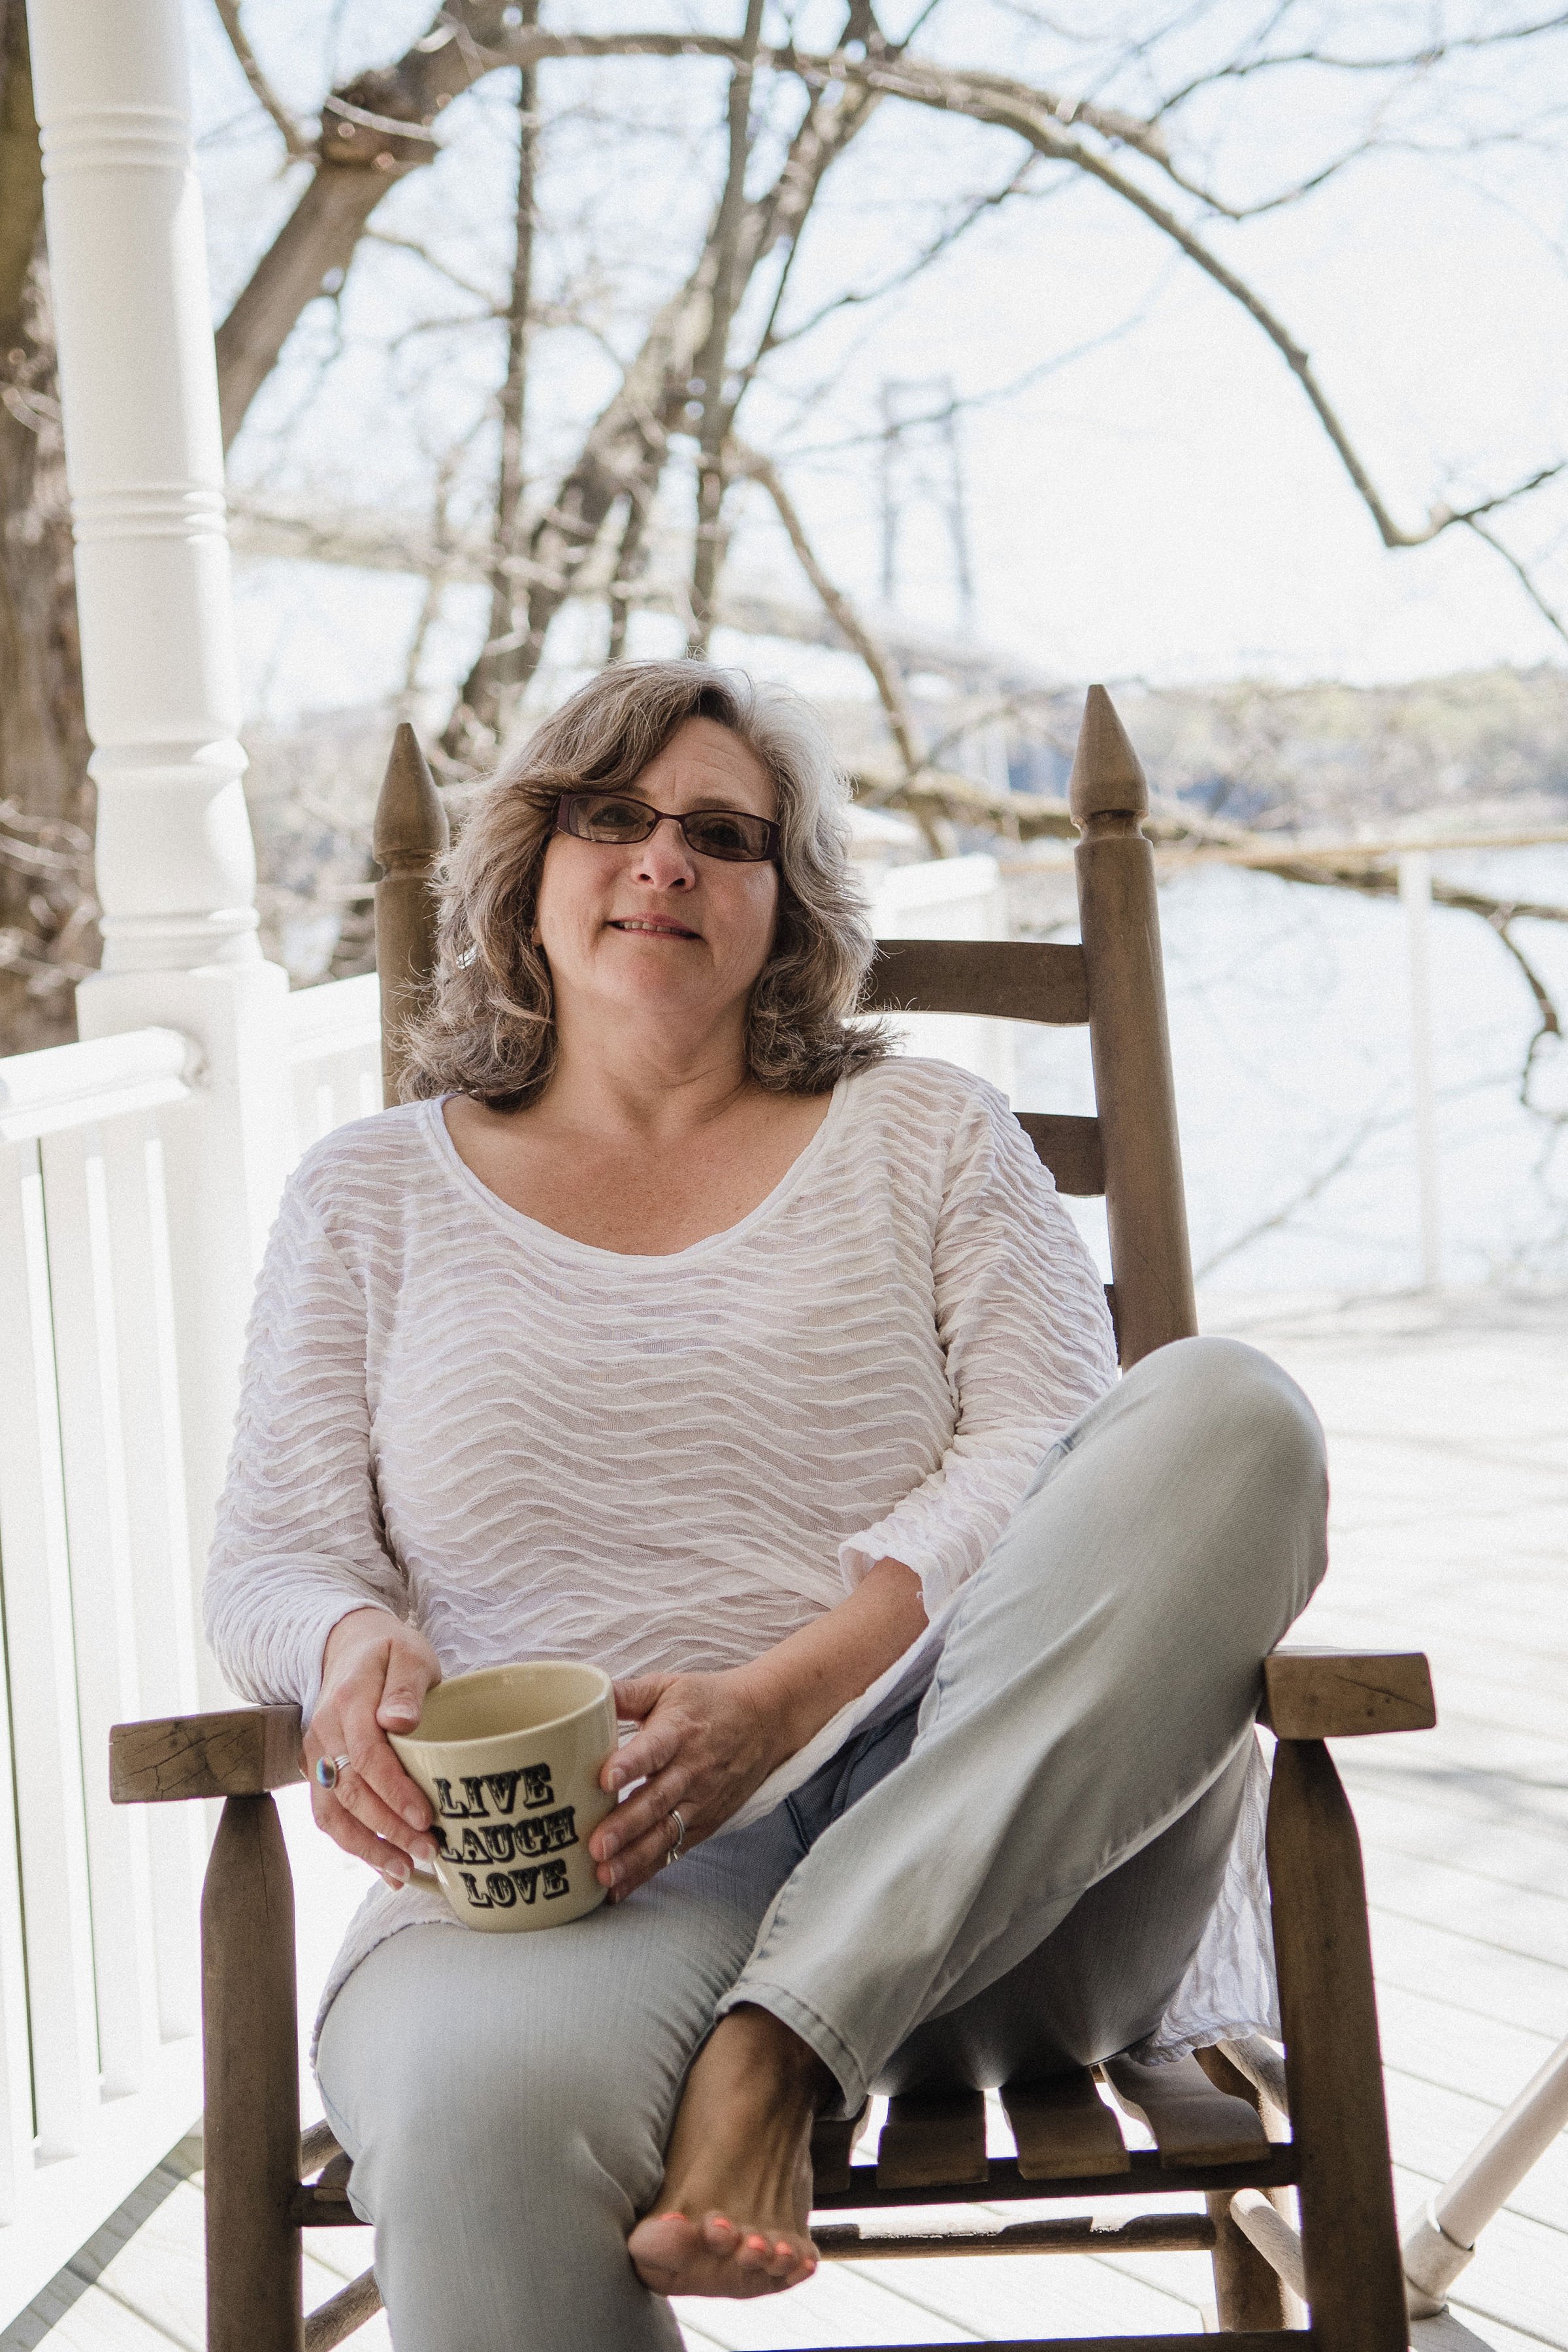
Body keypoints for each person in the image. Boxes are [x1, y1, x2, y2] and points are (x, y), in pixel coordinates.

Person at [204, 660, 1328, 2351]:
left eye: (722, 834)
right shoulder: (368, 1196)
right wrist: (349, 1645)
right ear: (527, 864)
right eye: (612, 815)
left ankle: (783, 2045)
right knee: (480, 2122)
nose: (664, 858)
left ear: (787, 904)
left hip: (1017, 1854)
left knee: (1230, 1414)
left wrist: (785, 1701)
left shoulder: (930, 1135)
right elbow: (274, 1556)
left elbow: (1054, 1453)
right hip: (603, 1875)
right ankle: (766, 2030)